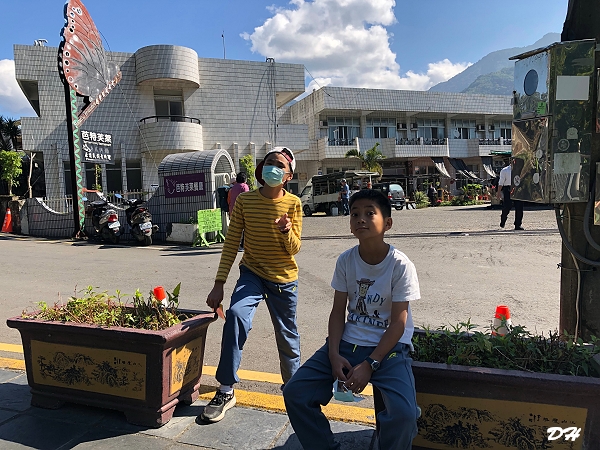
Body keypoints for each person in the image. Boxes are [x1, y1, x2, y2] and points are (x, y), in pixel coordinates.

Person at [283, 189, 420, 450]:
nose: (361, 219)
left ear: (388, 223)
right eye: (355, 214)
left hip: (388, 350)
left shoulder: (400, 265)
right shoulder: (346, 260)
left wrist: (370, 364)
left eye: (370, 213)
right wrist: (333, 354)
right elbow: (338, 312)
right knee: (295, 392)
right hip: (348, 343)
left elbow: (398, 323)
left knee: (404, 415)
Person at [201, 147, 303, 423]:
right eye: (269, 163)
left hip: (283, 279)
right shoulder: (245, 201)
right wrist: (219, 283)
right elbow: (232, 242)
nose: (273, 168)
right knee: (235, 316)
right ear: (261, 169)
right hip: (252, 274)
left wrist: (285, 230)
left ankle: (294, 391)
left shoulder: (294, 204)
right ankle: (226, 389)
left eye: (279, 165)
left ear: (288, 175)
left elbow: (294, 248)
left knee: (287, 336)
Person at [497, 160, 524, 230]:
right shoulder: (505, 170)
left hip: (517, 188)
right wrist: (499, 192)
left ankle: (518, 224)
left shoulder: (520, 170)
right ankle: (503, 218)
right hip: (508, 188)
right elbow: (501, 182)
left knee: (519, 207)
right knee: (507, 206)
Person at [227, 172, 250, 251]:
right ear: (245, 179)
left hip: (233, 210)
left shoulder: (232, 188)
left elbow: (229, 200)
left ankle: (233, 245)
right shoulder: (244, 186)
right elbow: (246, 199)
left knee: (236, 228)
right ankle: (242, 245)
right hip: (242, 210)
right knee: (246, 228)